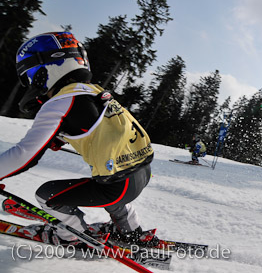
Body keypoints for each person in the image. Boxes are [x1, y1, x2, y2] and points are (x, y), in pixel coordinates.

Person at [0, 32, 157, 247]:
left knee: (46, 196)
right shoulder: (91, 92)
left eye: (32, 74)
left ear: (51, 66)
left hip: (116, 187)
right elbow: (97, 128)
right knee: (108, 183)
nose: (33, 83)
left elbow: (24, 155)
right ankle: (130, 230)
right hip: (141, 174)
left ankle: (71, 237)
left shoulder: (60, 102)